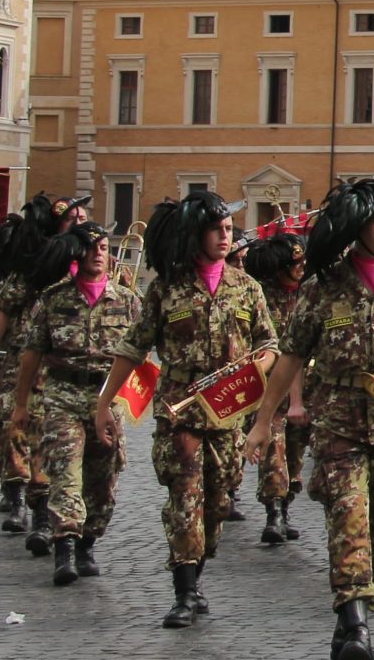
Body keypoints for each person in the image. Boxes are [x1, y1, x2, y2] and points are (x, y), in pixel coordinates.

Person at [245, 179, 374, 660]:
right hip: (339, 427)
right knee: (348, 523)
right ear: (357, 225)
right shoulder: (322, 288)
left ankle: (352, 622)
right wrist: (264, 422)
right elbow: (290, 358)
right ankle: (355, 628)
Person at [96, 187, 275, 630]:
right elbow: (132, 349)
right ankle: (185, 589)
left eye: (228, 228)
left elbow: (269, 344)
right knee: (186, 496)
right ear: (194, 235)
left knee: (217, 503)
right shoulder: (166, 290)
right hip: (180, 412)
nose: (223, 236)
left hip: (228, 414)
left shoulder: (247, 288)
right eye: (214, 229)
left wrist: (253, 368)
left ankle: (198, 565)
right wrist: (104, 403)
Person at [8, 226, 139, 587]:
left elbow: (142, 352)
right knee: (64, 471)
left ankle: (87, 542)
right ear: (76, 254)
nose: (99, 253)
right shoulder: (54, 299)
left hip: (108, 398)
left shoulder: (127, 300)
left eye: (103, 247)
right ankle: (64, 544)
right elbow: (32, 353)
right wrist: (21, 404)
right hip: (63, 395)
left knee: (103, 479)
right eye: (92, 247)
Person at [0, 194, 80, 548]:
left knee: (49, 441)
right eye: (71, 220)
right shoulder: (29, 271)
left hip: (61, 367)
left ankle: (43, 513)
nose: (78, 226)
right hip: (17, 363)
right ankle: (16, 495)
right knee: (14, 431)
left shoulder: (83, 265)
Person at [242, 231, 310, 546]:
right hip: (271, 390)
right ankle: (274, 512)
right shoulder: (262, 294)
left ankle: (286, 502)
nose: (301, 266)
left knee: (295, 454)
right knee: (274, 451)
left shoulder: (310, 294)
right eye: (294, 262)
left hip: (308, 389)